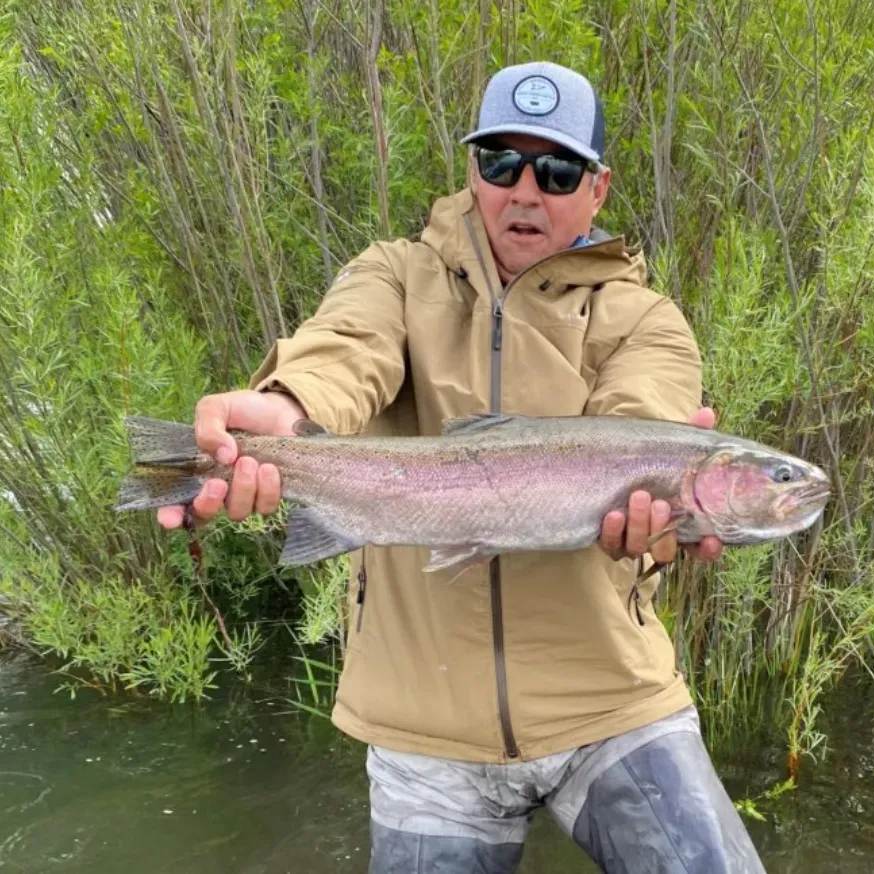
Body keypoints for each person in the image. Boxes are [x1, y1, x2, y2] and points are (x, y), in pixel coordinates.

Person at [158, 61, 767, 873]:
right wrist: (288, 408)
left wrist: (656, 522)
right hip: (422, 721)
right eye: (500, 163)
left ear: (598, 189)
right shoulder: (393, 275)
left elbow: (637, 427)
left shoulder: (648, 320)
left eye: (555, 171)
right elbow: (345, 352)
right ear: (472, 171)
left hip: (610, 702)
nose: (525, 190)